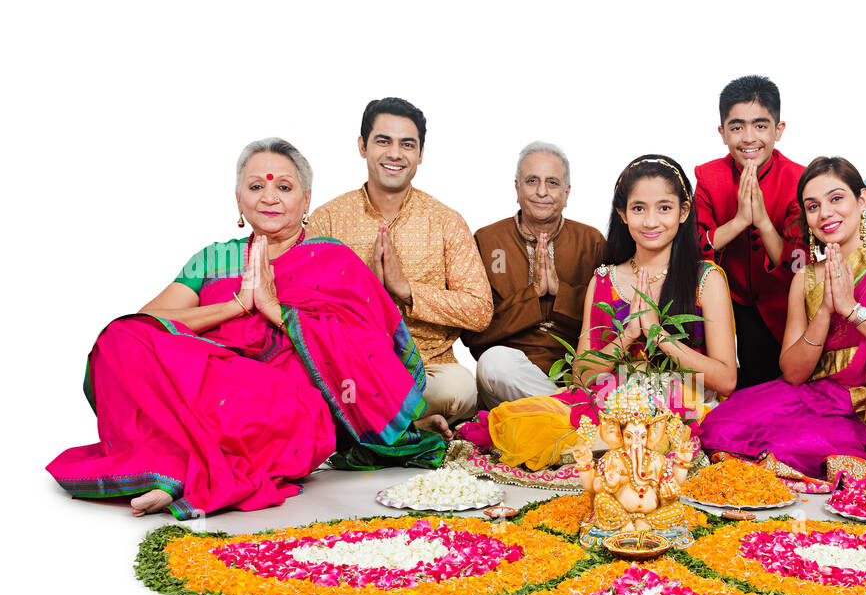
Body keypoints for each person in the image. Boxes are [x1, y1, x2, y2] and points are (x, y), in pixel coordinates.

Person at [47, 139, 445, 519]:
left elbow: (365, 352)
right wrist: (236, 304)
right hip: (212, 385)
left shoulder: (333, 260)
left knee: (282, 411)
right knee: (119, 338)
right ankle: (178, 470)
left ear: (306, 200)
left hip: (285, 398)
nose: (269, 197)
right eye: (256, 186)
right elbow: (151, 324)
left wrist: (277, 311)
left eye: (284, 187)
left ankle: (177, 471)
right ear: (239, 199)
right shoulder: (215, 259)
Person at [464, 154, 738, 470]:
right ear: (622, 213)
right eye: (638, 208)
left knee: (638, 442)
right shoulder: (604, 279)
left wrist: (657, 335)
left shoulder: (706, 278)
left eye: (664, 208)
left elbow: (726, 379)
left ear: (683, 212)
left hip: (681, 405)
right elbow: (582, 375)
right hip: (613, 404)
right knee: (525, 426)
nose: (650, 221)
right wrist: (628, 336)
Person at [699, 157, 866, 478]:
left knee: (786, 445)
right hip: (819, 396)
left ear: (863, 199)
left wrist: (852, 311)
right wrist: (825, 311)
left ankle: (846, 459)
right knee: (720, 423)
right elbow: (794, 373)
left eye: (836, 198)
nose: (825, 212)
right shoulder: (805, 277)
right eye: (813, 206)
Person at [307, 97, 492, 434]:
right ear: (362, 146)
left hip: (428, 371)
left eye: (407, 144)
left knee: (460, 390)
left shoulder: (446, 222)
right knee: (316, 386)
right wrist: (366, 293)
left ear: (420, 154)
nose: (395, 153)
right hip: (353, 367)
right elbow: (307, 309)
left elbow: (480, 310)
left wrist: (406, 291)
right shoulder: (327, 221)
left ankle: (377, 425)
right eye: (383, 141)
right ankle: (412, 426)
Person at [465, 142, 605, 409]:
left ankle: (558, 412)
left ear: (567, 193)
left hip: (575, 373)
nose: (542, 192)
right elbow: (473, 334)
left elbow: (607, 326)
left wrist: (559, 292)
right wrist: (534, 295)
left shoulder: (591, 241)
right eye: (532, 181)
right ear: (517, 188)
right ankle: (575, 414)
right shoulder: (487, 240)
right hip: (510, 378)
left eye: (552, 183)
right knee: (493, 364)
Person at [694, 75, 805, 388]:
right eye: (737, 127)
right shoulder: (707, 177)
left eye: (760, 125)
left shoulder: (798, 180)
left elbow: (799, 262)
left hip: (780, 304)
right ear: (722, 133)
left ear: (778, 130)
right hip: (725, 302)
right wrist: (741, 220)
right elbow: (695, 249)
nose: (748, 138)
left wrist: (764, 223)